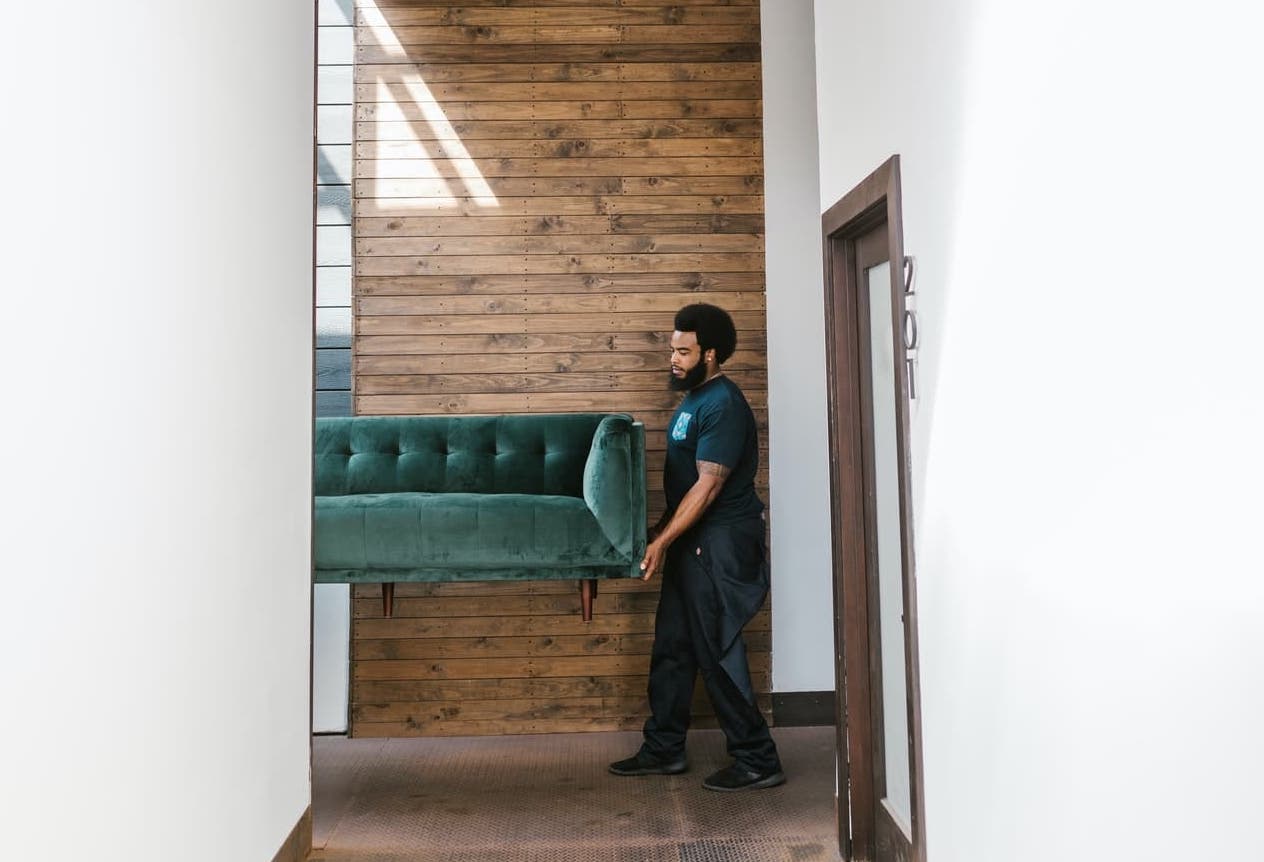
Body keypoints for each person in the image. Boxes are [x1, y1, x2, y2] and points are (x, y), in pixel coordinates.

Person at [608, 303, 785, 792]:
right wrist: (661, 535)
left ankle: (758, 759)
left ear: (710, 353)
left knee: (717, 651)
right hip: (692, 544)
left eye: (684, 351)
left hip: (719, 545)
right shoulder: (693, 401)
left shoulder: (723, 405)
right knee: (673, 647)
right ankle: (664, 749)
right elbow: (684, 481)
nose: (674, 359)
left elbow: (707, 487)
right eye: (672, 349)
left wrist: (662, 541)